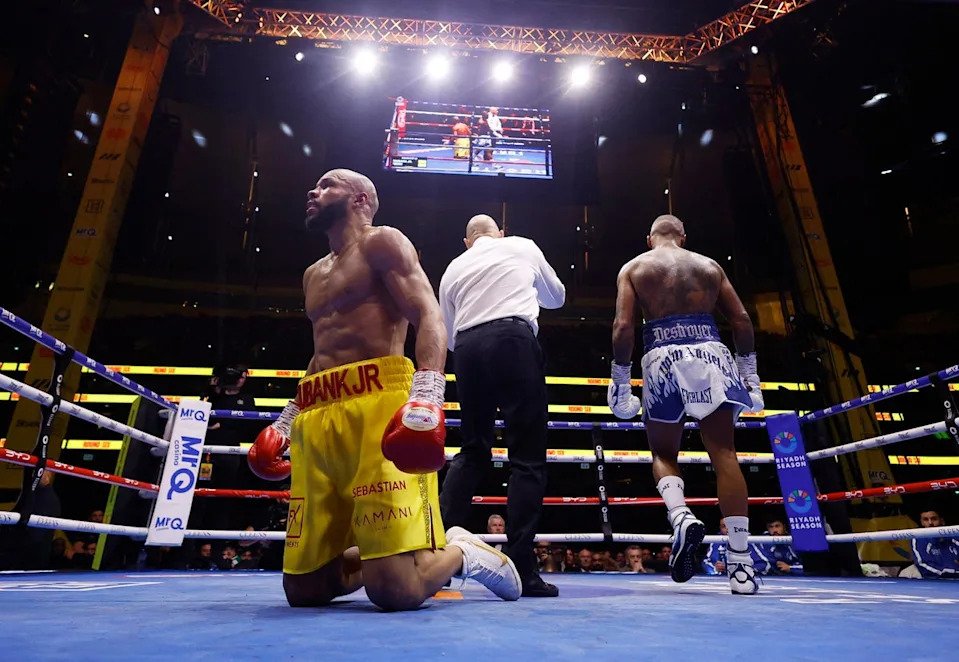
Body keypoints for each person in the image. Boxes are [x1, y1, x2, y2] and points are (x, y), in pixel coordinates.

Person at [247, 169, 521, 611]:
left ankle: (462, 552)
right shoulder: (312, 274)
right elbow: (323, 354)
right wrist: (285, 421)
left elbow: (428, 313)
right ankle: (388, 555)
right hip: (319, 415)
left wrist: (428, 391)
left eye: (327, 184)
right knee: (304, 590)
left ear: (360, 199)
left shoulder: (382, 242)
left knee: (395, 593)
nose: (313, 191)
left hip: (378, 408)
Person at [609, 214, 764, 595]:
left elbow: (623, 327)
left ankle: (680, 515)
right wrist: (750, 375)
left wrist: (620, 381)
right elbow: (742, 320)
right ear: (683, 236)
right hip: (712, 355)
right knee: (724, 453)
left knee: (663, 452)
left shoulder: (635, 268)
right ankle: (741, 565)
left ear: (649, 239)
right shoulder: (709, 266)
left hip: (662, 357)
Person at [438, 214, 566, 597]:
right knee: (527, 457)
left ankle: (432, 558)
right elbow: (557, 297)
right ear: (501, 233)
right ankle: (522, 568)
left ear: (466, 241)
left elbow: (448, 334)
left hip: (467, 349)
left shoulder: (453, 268)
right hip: (513, 338)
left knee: (473, 451)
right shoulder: (521, 245)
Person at [903, 509, 959, 579]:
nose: (930, 523)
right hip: (932, 578)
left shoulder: (955, 537)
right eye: (926, 520)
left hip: (955, 577)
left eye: (934, 519)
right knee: (907, 573)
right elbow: (923, 564)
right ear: (922, 522)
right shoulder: (919, 538)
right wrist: (950, 572)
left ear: (942, 521)